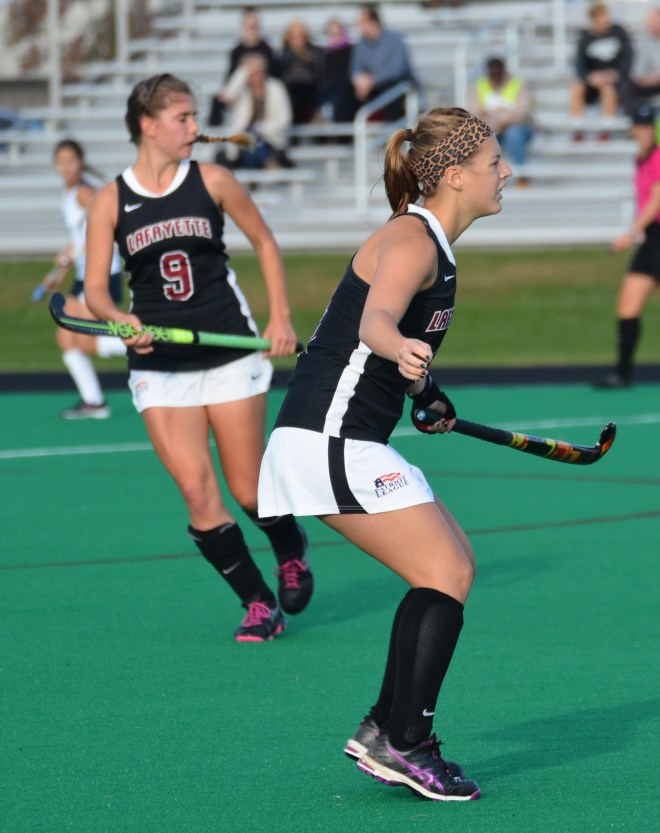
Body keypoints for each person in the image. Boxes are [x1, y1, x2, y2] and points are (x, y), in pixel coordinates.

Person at [258, 107, 512, 800]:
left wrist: (425, 389)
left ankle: (385, 728)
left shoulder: (432, 243)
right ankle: (408, 741)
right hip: (327, 441)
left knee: (448, 566)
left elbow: (390, 342)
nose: (506, 173)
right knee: (447, 569)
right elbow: (376, 317)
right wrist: (397, 346)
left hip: (341, 438)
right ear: (456, 177)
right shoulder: (412, 239)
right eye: (495, 164)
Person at [83, 73, 312, 641]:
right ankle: (258, 602)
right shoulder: (111, 199)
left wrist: (280, 317)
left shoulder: (213, 180)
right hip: (159, 365)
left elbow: (264, 242)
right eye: (182, 118)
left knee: (249, 489)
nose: (194, 127)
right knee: (196, 491)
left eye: (193, 116)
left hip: (230, 350)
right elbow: (94, 289)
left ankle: (290, 548)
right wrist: (120, 320)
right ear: (147, 124)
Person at [36, 139, 125, 419]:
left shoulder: (85, 192)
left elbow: (110, 220)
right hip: (83, 273)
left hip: (102, 272)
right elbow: (75, 240)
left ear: (80, 161)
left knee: (85, 340)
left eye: (71, 160)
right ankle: (94, 402)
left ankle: (146, 340)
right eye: (61, 161)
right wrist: (59, 270)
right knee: (65, 336)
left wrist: (83, 249)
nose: (66, 166)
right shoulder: (69, 194)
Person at [594, 103, 660, 389]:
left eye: (649, 125)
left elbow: (657, 198)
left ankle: (622, 373)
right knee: (628, 306)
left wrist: (632, 233)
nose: (645, 131)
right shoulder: (641, 158)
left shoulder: (657, 156)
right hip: (653, 238)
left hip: (655, 236)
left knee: (629, 304)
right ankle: (622, 374)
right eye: (640, 125)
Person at [214, 54, 293, 170]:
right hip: (244, 138)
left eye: (258, 72)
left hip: (269, 137)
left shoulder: (276, 88)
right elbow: (227, 96)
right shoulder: (242, 90)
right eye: (252, 73)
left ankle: (261, 168)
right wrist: (242, 72)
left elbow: (285, 118)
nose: (256, 76)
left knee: (257, 146)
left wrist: (263, 129)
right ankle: (267, 165)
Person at [569, 2, 634, 141]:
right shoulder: (585, 38)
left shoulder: (619, 32)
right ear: (593, 19)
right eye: (601, 16)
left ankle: (606, 127)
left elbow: (628, 57)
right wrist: (589, 77)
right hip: (593, 80)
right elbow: (579, 64)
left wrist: (615, 74)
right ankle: (577, 128)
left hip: (614, 79)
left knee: (607, 87)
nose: (605, 19)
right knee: (576, 87)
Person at [469, 56, 534, 186]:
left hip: (517, 127)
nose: (495, 76)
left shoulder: (517, 84)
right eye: (492, 73)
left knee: (514, 135)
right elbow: (473, 110)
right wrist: (495, 122)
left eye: (498, 72)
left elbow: (523, 110)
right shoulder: (480, 85)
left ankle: (522, 173)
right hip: (491, 129)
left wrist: (505, 120)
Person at [209, 6, 279, 127]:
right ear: (242, 26)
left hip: (261, 91)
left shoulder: (266, 49)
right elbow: (230, 75)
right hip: (242, 91)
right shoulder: (236, 51)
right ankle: (215, 139)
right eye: (249, 26)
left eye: (255, 26)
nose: (252, 29)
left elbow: (273, 75)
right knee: (217, 100)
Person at [350, 4, 417, 122]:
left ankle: (392, 135)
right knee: (347, 93)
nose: (358, 27)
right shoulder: (361, 44)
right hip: (372, 88)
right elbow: (355, 69)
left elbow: (398, 70)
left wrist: (372, 81)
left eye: (360, 23)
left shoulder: (395, 39)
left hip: (396, 85)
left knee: (392, 91)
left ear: (372, 22)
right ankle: (346, 136)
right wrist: (359, 81)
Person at [278, 20, 324, 126]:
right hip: (293, 94)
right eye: (295, 36)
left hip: (312, 92)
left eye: (302, 36)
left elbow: (320, 77)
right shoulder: (284, 57)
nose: (299, 40)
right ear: (289, 38)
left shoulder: (316, 54)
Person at [622, 4, 660, 117]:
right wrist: (640, 77)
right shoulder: (644, 37)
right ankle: (638, 118)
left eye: (652, 22)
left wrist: (656, 76)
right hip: (649, 80)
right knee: (626, 88)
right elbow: (638, 64)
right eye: (648, 22)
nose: (649, 25)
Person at [321, 17, 357, 124]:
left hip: (349, 91)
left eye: (338, 33)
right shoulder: (327, 55)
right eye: (332, 34)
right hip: (333, 92)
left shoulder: (352, 50)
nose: (335, 37)